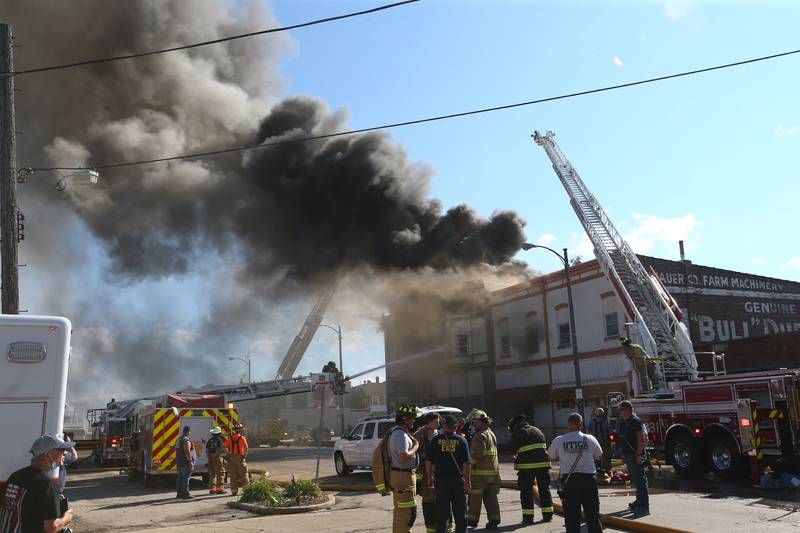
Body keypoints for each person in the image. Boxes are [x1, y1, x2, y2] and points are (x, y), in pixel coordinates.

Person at [0, 434, 75, 533]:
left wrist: (51, 499)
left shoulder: (15, 476)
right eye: (61, 450)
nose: (65, 453)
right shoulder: (46, 484)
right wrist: (66, 518)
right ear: (47, 455)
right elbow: (51, 528)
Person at [548, 413, 604, 533]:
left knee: (572, 516)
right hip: (589, 480)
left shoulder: (559, 440)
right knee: (593, 514)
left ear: (568, 424)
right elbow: (599, 456)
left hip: (570, 481)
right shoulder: (590, 439)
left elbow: (551, 456)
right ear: (581, 424)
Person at [426, 415, 471, 533]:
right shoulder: (462, 441)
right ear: (455, 427)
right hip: (458, 482)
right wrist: (467, 481)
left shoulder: (435, 440)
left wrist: (429, 476)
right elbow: (467, 463)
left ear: (444, 425)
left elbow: (429, 461)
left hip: (441, 482)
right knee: (461, 514)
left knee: (442, 515)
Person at [507, 414, 553, 524]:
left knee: (526, 492)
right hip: (543, 465)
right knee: (544, 490)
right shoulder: (537, 430)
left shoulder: (519, 432)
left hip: (527, 467)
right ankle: (548, 515)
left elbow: (510, 448)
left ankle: (528, 518)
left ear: (516, 425)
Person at [387, 404, 420, 533]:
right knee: (407, 513)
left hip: (401, 476)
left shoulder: (398, 432)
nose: (414, 420)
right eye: (412, 418)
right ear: (405, 419)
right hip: (403, 477)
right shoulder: (400, 435)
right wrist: (416, 446)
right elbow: (403, 456)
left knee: (401, 511)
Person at [466, 410, 500, 530]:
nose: (473, 424)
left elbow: (476, 455)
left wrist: (467, 465)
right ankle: (494, 520)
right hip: (493, 474)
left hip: (480, 475)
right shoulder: (490, 433)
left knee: (475, 498)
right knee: (491, 498)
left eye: (474, 421)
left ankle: (472, 520)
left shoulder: (479, 435)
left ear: (480, 421)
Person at [618, 400, 649, 514]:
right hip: (629, 455)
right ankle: (639, 501)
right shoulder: (624, 422)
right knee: (636, 479)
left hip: (635, 455)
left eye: (621, 409)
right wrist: (623, 455)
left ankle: (644, 506)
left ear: (627, 409)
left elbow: (642, 438)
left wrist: (639, 454)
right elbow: (624, 440)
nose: (619, 412)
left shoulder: (635, 421)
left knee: (641, 480)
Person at [413, 412, 440, 533]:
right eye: (436, 422)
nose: (438, 424)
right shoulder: (419, 434)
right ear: (428, 422)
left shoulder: (439, 433)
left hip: (438, 472)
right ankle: (431, 528)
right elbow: (412, 447)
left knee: (440, 500)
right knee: (428, 500)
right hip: (425, 472)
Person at [55, 435, 79, 516]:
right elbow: (74, 456)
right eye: (63, 450)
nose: (65, 453)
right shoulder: (60, 457)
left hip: (57, 493)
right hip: (56, 492)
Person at [225, 423, 250, 496]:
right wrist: (244, 456)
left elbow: (225, 447)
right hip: (240, 457)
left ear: (234, 431)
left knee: (233, 476)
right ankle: (247, 491)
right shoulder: (242, 438)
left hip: (232, 458)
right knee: (244, 475)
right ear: (240, 431)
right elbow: (246, 448)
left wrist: (228, 454)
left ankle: (234, 491)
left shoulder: (230, 438)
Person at [588, 408, 612, 473]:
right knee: (596, 456)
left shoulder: (606, 421)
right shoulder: (592, 421)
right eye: (598, 412)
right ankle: (597, 471)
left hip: (605, 441)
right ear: (595, 413)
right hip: (595, 441)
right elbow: (589, 432)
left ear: (603, 413)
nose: (599, 413)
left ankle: (607, 471)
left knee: (606, 456)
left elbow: (610, 433)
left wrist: (612, 441)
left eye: (601, 412)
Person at [175, 425, 195, 499]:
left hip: (179, 462)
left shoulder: (178, 439)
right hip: (185, 463)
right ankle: (185, 494)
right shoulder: (186, 440)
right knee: (185, 478)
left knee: (180, 478)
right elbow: (187, 450)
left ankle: (179, 494)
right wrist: (190, 461)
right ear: (189, 431)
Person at [206, 426, 227, 494]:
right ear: (219, 433)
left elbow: (207, 450)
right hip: (217, 458)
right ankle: (220, 489)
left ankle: (212, 489)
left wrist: (209, 457)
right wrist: (214, 456)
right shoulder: (219, 440)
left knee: (212, 474)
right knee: (220, 473)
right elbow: (219, 449)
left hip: (210, 458)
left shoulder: (209, 441)